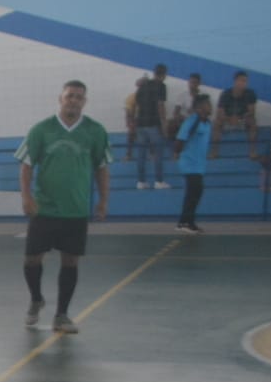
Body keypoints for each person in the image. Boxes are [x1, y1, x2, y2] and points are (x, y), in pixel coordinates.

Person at [17, 80, 111, 335]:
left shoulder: (95, 131)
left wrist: (103, 200)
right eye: (70, 96)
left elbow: (102, 167)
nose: (74, 100)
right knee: (32, 258)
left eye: (79, 97)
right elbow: (26, 165)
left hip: (76, 209)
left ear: (84, 102)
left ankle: (61, 315)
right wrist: (26, 196)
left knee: (70, 261)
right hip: (44, 208)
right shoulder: (41, 130)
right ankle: (36, 298)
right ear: (61, 98)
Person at [173, 93, 212, 233]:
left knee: (196, 192)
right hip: (189, 163)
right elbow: (180, 139)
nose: (210, 107)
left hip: (199, 164)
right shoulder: (191, 121)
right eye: (207, 104)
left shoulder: (207, 123)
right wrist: (177, 153)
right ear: (199, 107)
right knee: (193, 192)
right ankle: (184, 222)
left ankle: (187, 221)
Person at [133, 63, 170, 190]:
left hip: (141, 122)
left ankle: (141, 181)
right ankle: (159, 181)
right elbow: (160, 105)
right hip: (153, 123)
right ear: (164, 74)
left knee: (141, 155)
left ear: (154, 73)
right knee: (158, 153)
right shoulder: (161, 86)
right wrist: (164, 124)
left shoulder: (143, 85)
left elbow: (137, 103)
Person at [210, 71, 259, 159]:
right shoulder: (226, 94)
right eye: (242, 81)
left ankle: (252, 151)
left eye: (245, 81)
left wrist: (239, 118)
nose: (244, 83)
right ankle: (214, 151)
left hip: (242, 120)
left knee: (253, 122)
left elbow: (252, 112)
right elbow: (220, 113)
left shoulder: (250, 94)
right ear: (236, 81)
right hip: (227, 120)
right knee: (216, 123)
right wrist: (229, 119)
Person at [168, 72, 207, 139]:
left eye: (195, 82)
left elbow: (206, 112)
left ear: (199, 84)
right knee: (171, 123)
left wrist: (196, 112)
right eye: (191, 82)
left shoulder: (203, 96)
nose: (192, 85)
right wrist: (179, 117)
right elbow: (176, 111)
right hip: (184, 120)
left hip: (197, 120)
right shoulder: (183, 95)